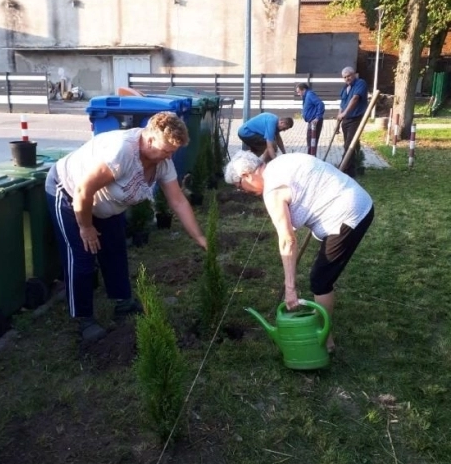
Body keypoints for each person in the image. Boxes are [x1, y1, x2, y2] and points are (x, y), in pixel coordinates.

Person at [45, 112, 207, 343]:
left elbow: (178, 201)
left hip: (106, 203)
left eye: (173, 152)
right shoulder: (121, 152)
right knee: (81, 257)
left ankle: (123, 303)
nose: (169, 156)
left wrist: (200, 237)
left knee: (115, 250)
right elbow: (83, 191)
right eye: (166, 150)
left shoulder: (163, 162)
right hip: (70, 193)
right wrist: (86, 226)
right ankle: (83, 318)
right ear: (149, 139)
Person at [224, 150, 374, 352]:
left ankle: (324, 341)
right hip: (355, 198)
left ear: (247, 175)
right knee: (322, 272)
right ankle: (323, 331)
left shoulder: (272, 191)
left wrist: (290, 288)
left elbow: (287, 241)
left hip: (348, 214)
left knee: (320, 280)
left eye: (239, 187)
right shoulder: (280, 162)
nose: (244, 192)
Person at [338, 66, 368, 178]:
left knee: (349, 145)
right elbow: (342, 104)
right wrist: (339, 116)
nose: (347, 78)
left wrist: (344, 113)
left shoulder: (360, 83)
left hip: (355, 119)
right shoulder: (345, 88)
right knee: (349, 145)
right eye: (345, 77)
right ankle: (351, 171)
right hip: (345, 120)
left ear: (354, 74)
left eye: (349, 76)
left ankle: (342, 168)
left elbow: (355, 99)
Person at [296, 83, 325, 153]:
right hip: (311, 121)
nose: (298, 94)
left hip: (315, 122)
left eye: (299, 92)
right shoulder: (306, 96)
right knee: (310, 140)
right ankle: (311, 156)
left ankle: (311, 158)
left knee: (312, 141)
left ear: (303, 90)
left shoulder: (309, 95)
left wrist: (317, 118)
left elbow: (320, 104)